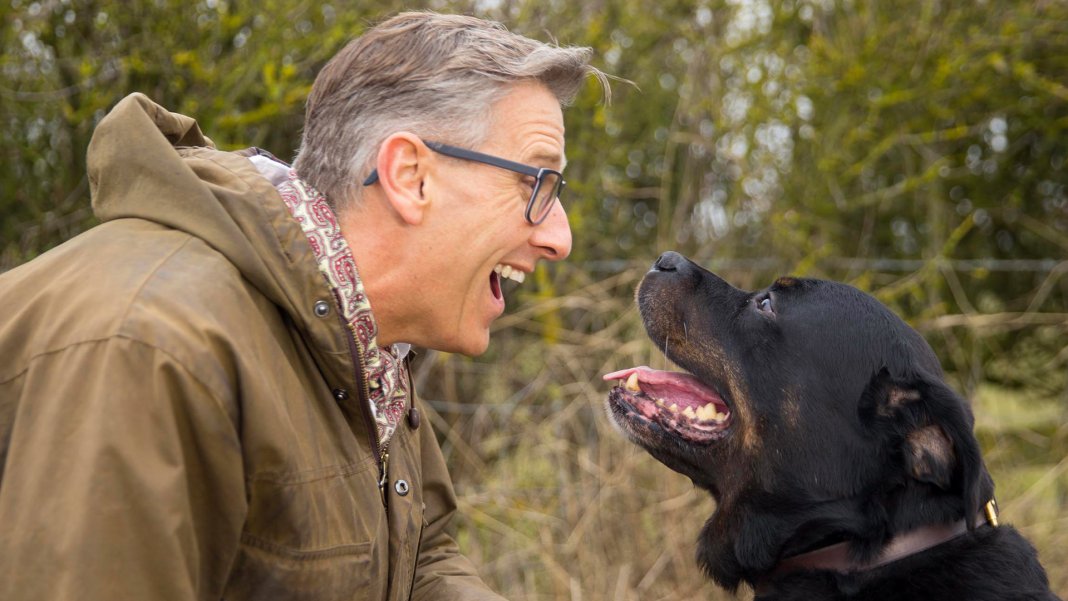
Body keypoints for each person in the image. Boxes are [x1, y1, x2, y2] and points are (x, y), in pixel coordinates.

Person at [0, 11, 608, 600]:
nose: (560, 237)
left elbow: (415, 556)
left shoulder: (358, 340)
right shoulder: (152, 349)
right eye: (536, 183)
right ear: (410, 176)